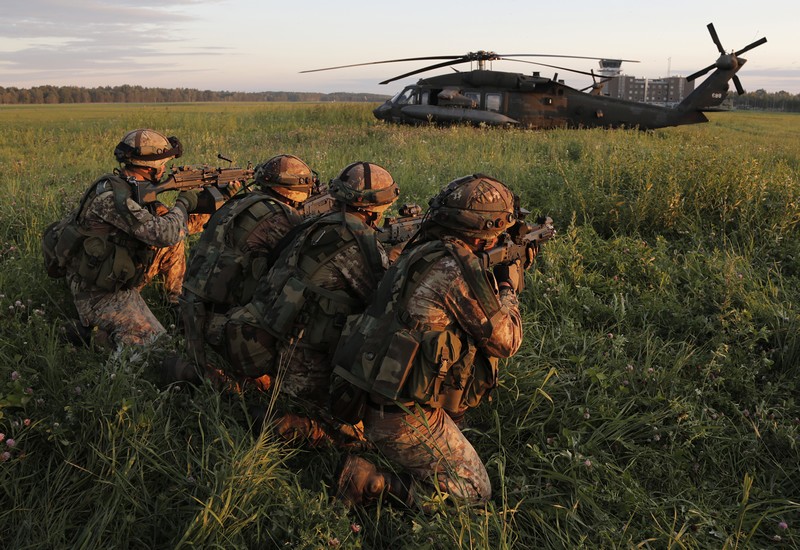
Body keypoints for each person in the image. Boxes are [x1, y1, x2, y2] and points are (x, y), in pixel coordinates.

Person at [331, 174, 531, 507]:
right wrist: (508, 288)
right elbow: (506, 342)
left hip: (368, 393)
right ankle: (373, 483)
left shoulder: (421, 250)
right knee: (475, 490)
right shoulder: (457, 270)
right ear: (485, 234)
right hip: (401, 416)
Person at [224, 161, 400, 445]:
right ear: (377, 208)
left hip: (271, 347)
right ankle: (290, 426)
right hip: (307, 370)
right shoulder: (359, 240)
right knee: (359, 439)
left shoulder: (310, 226)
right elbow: (382, 304)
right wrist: (396, 262)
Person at [168, 154, 319, 384]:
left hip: (192, 318)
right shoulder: (280, 218)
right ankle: (234, 381)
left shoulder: (238, 203)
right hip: (226, 330)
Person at [55, 128, 200, 346]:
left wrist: (218, 199)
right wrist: (184, 202)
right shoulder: (113, 198)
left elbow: (175, 227)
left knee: (173, 242)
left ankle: (174, 302)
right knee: (156, 346)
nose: (165, 170)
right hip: (97, 292)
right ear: (150, 167)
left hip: (114, 273)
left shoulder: (128, 188)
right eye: (163, 164)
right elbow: (165, 232)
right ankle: (92, 335)